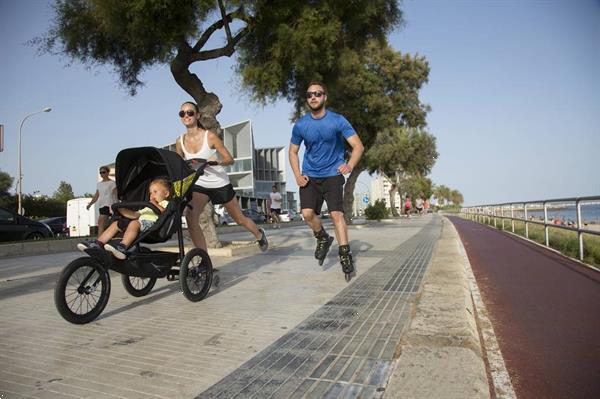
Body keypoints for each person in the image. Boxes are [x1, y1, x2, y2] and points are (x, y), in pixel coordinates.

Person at [289, 81, 364, 275]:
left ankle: (345, 253)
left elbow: (358, 146)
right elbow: (293, 152)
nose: (313, 97)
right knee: (306, 214)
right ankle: (322, 237)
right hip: (310, 175)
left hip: (332, 174)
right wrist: (297, 175)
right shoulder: (301, 125)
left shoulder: (338, 120)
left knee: (336, 214)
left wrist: (349, 165)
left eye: (317, 93)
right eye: (309, 95)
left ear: (325, 97)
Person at [174, 101, 268, 252]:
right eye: (182, 113)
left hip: (219, 183)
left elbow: (229, 159)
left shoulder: (209, 137)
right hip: (200, 184)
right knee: (191, 216)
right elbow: (179, 166)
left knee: (239, 219)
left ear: (197, 115)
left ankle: (259, 235)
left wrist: (215, 161)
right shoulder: (180, 141)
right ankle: (203, 259)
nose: (186, 116)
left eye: (190, 112)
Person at [77, 178, 171, 259]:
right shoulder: (147, 207)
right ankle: (98, 243)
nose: (152, 195)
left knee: (134, 223)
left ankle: (123, 247)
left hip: (151, 225)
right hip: (138, 223)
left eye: (155, 192)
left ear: (166, 193)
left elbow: (163, 211)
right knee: (116, 223)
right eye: (150, 193)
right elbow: (134, 214)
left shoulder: (165, 203)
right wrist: (121, 209)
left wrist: (153, 204)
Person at [86, 166, 117, 236]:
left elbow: (115, 195)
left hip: (109, 205)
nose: (102, 174)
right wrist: (90, 204)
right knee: (104, 223)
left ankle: (99, 240)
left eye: (103, 172)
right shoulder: (99, 184)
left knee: (101, 221)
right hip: (102, 205)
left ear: (108, 172)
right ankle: (106, 238)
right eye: (100, 173)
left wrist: (117, 205)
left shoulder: (112, 183)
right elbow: (96, 195)